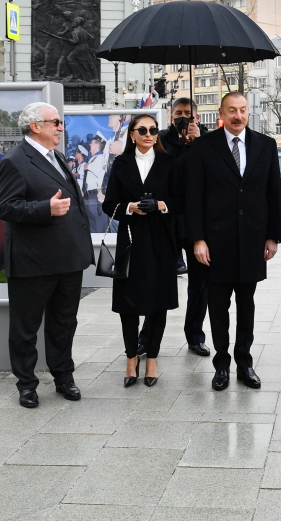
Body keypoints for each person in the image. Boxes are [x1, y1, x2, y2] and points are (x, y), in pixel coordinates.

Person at [0, 102, 94, 408]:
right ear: (35, 126)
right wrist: (44, 209)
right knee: (25, 327)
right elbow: (5, 207)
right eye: (56, 122)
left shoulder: (57, 158)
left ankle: (64, 376)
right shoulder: (14, 161)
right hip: (33, 261)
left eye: (60, 122)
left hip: (67, 259)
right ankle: (26, 384)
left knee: (64, 322)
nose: (61, 127)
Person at [186, 92, 281, 391]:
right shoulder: (203, 147)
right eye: (232, 111)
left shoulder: (266, 145)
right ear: (221, 113)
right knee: (217, 306)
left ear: (248, 111)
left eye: (242, 110)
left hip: (252, 241)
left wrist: (272, 236)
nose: (238, 116)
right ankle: (222, 364)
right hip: (215, 243)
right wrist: (198, 239)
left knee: (247, 305)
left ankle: (245, 363)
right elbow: (194, 197)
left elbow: (273, 193)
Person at [102, 115, 184, 386]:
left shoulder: (169, 162)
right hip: (131, 240)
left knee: (158, 304)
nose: (149, 134)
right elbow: (109, 203)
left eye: (153, 130)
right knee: (129, 305)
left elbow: (181, 200)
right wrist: (130, 207)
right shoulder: (121, 163)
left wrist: (160, 205)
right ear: (132, 135)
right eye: (143, 130)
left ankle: (152, 360)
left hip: (161, 241)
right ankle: (130, 359)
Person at [144, 97, 211, 357]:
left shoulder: (207, 140)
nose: (183, 116)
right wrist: (183, 146)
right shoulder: (160, 139)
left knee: (200, 283)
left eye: (188, 112)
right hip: (167, 220)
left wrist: (198, 142)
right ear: (171, 116)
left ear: (196, 115)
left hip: (196, 222)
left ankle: (195, 335)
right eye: (179, 112)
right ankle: (147, 336)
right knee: (158, 280)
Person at [80, 133, 109, 232]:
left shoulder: (102, 158)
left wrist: (89, 167)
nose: (90, 145)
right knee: (92, 227)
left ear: (97, 145)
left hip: (96, 196)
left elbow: (104, 173)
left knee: (100, 227)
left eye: (92, 143)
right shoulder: (93, 159)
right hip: (89, 196)